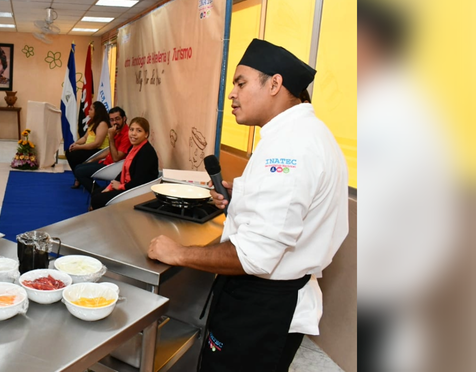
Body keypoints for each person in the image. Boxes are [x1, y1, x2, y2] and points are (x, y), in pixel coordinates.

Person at [147, 39, 348, 372]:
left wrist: (178, 253)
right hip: (271, 298)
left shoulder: (291, 148)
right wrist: (241, 201)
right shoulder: (305, 134)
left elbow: (256, 254)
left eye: (241, 83)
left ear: (275, 84)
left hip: (262, 307)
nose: (232, 94)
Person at [90, 117, 158, 210]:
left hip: (137, 191)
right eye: (131, 129)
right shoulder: (133, 148)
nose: (133, 133)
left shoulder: (146, 152)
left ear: (146, 134)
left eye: (139, 131)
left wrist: (121, 186)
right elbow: (124, 170)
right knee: (97, 192)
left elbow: (139, 181)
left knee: (97, 199)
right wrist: (111, 186)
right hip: (129, 185)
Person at [73, 106, 131, 192]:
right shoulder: (116, 131)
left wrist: (111, 137)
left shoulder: (127, 135)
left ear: (124, 118)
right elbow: (109, 150)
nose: (115, 122)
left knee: (80, 172)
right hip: (106, 162)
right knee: (78, 167)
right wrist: (93, 160)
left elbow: (116, 158)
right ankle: (98, 192)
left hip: (113, 167)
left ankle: (98, 193)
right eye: (112, 120)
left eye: (117, 119)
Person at [65, 102, 110, 189]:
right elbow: (85, 138)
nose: (88, 111)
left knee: (73, 155)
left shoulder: (102, 124)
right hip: (90, 148)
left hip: (98, 151)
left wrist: (79, 147)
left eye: (91, 109)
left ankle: (80, 177)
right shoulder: (93, 123)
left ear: (97, 111)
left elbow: (97, 143)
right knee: (70, 151)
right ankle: (78, 177)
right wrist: (76, 144)